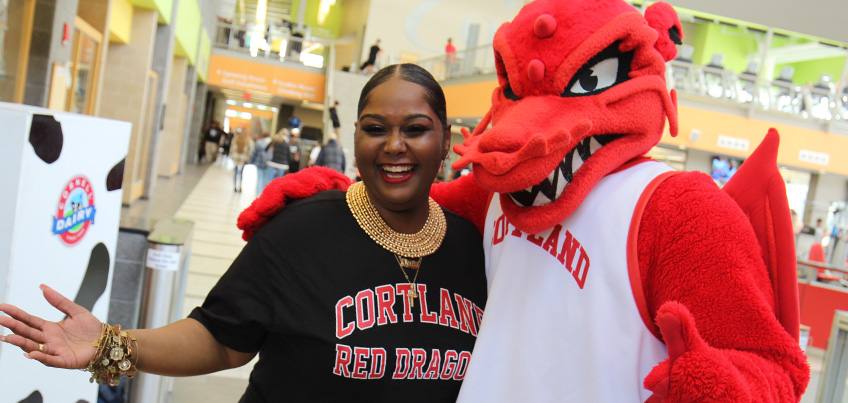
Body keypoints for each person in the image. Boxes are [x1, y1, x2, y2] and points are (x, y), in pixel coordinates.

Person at [0, 63, 487, 401]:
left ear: (446, 138)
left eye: (416, 129)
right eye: (376, 128)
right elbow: (222, 337)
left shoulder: (476, 250)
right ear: (355, 138)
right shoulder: (303, 228)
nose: (394, 146)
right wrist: (112, 345)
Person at [230, 128, 254, 193]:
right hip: (243, 158)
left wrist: (231, 155)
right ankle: (240, 186)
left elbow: (232, 147)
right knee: (241, 173)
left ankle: (235, 186)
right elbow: (251, 149)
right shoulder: (248, 140)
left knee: (236, 172)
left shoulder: (236, 138)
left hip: (236, 157)